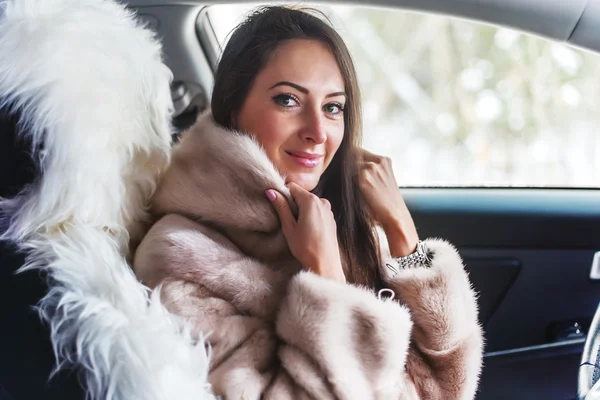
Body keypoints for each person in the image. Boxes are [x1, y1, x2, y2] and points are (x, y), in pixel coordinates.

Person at [133, 5, 483, 399]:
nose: (318, 131)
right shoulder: (181, 258)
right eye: (288, 100)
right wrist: (326, 277)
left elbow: (447, 388)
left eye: (333, 107)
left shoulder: (344, 221)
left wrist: (401, 232)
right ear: (232, 108)